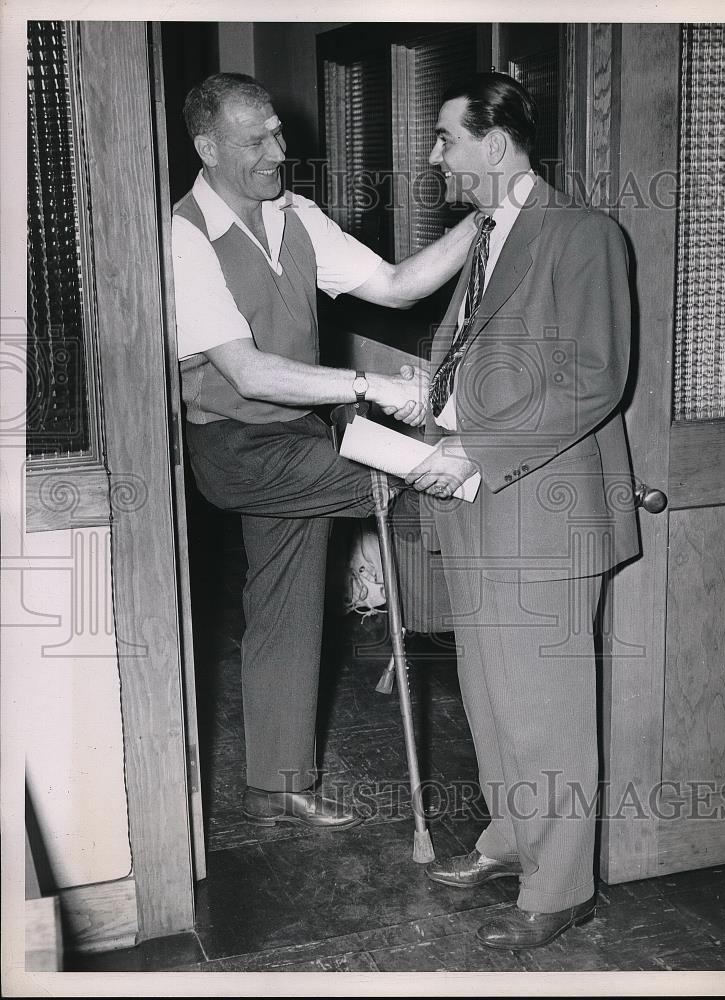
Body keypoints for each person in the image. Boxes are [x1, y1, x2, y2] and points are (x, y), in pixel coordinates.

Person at [171, 73, 477, 832]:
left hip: (298, 437)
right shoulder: (182, 237)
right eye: (257, 140)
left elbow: (400, 285)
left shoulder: (296, 217)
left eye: (279, 131)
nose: (280, 150)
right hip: (235, 446)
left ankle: (277, 781)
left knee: (286, 605)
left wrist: (488, 217)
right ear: (207, 149)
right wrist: (370, 387)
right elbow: (246, 371)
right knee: (428, 477)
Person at [404, 73, 640, 948]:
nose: (434, 157)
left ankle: (563, 885)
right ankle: (511, 840)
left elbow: (592, 379)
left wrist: (477, 446)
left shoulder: (583, 236)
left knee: (546, 708)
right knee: (490, 695)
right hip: (474, 502)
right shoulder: (484, 238)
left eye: (445, 140)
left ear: (494, 146)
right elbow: (483, 361)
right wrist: (427, 410)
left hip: (541, 509)